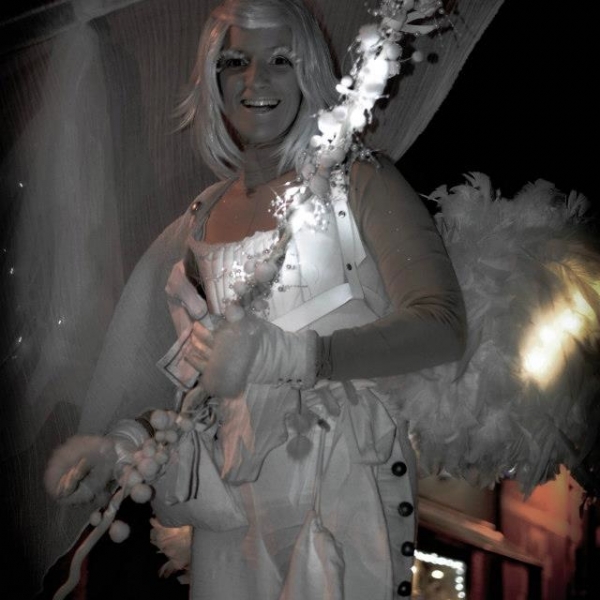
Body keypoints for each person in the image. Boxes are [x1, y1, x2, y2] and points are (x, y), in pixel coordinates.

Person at [44, 0, 466, 598]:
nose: (255, 80)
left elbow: (441, 326)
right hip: (233, 520)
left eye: (280, 60)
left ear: (309, 70)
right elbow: (195, 396)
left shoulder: (360, 181)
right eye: (236, 61)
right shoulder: (201, 217)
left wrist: (293, 356)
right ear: (211, 78)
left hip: (339, 494)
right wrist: (126, 446)